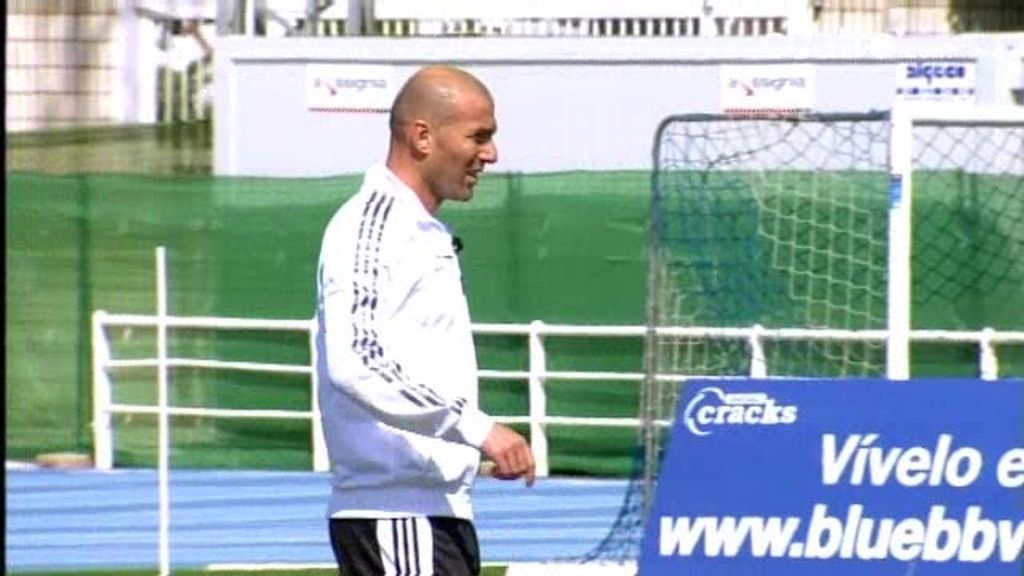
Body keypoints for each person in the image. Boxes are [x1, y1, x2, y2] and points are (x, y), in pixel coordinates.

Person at [314, 65, 536, 576]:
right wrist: (478, 429)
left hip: (431, 513)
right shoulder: (373, 225)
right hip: (398, 515)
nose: (491, 154)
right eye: (478, 136)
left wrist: (461, 453)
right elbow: (357, 360)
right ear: (422, 137)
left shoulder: (421, 228)